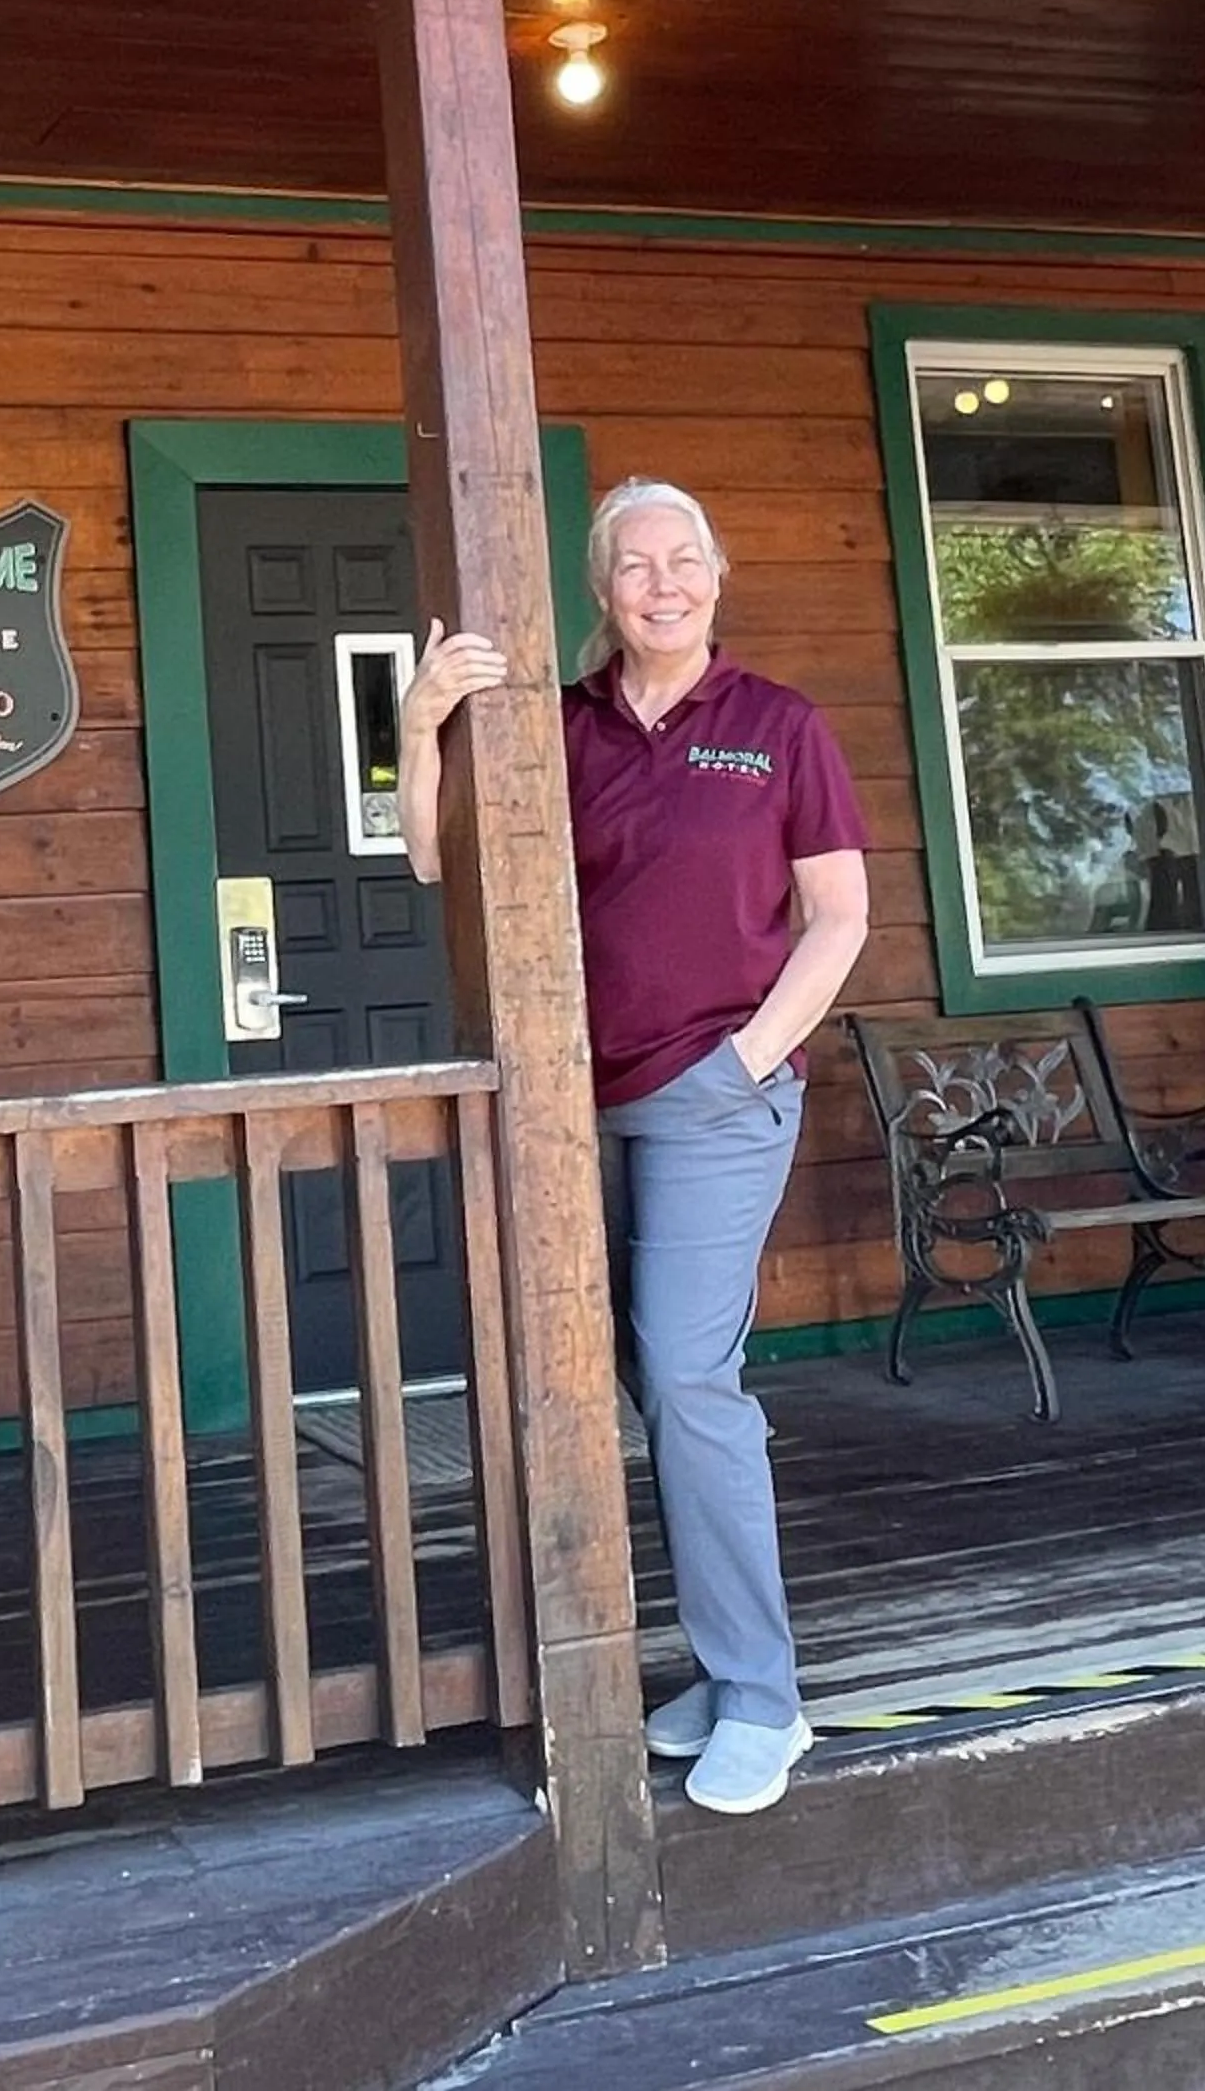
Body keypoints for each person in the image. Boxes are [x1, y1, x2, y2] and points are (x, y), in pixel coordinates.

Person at [396, 477, 870, 1816]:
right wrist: (419, 722)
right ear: (601, 592)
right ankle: (719, 1675)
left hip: (715, 1096)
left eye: (686, 562)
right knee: (634, 1383)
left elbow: (837, 916)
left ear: (717, 577)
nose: (663, 584)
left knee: (690, 1379)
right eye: (633, 566)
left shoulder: (779, 726)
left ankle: (766, 1701)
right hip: (577, 1103)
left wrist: (750, 1059)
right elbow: (439, 862)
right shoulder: (562, 731)